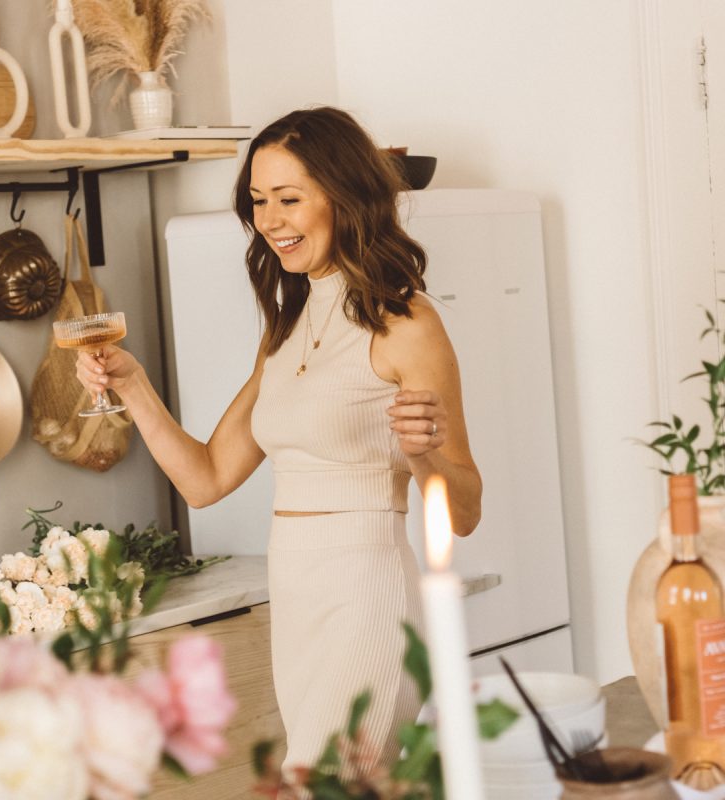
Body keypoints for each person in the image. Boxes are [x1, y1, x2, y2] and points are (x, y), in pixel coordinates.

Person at [75, 106, 482, 778]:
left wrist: (421, 451)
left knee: (328, 786)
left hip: (367, 594)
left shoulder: (407, 322)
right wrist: (135, 386)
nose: (269, 220)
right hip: (296, 594)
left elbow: (464, 508)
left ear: (344, 197)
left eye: (289, 199)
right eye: (259, 201)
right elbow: (205, 480)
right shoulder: (287, 326)